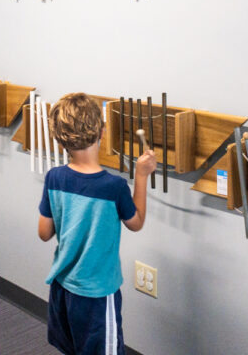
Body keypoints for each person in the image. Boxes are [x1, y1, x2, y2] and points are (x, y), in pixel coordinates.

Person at [38, 92, 156, 355]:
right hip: (96, 295)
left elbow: (44, 232)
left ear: (59, 137)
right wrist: (141, 175)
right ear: (102, 133)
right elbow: (136, 223)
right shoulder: (113, 187)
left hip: (62, 287)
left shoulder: (54, 177)